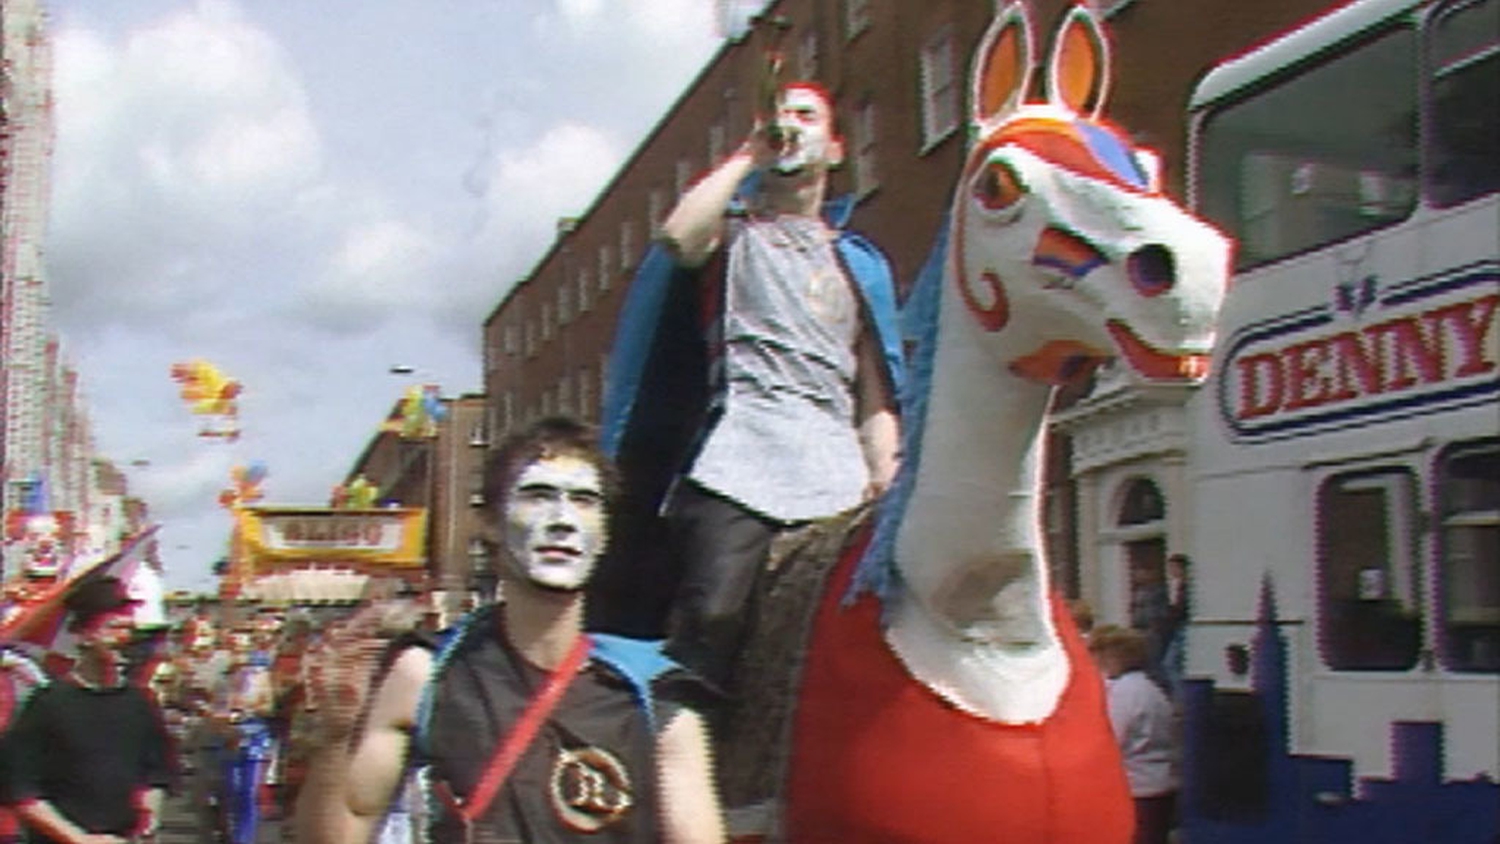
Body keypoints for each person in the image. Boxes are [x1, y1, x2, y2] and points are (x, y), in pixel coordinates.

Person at [601, 81, 904, 699]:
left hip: (835, 471)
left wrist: (885, 474)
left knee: (858, 635)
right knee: (712, 618)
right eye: (779, 114)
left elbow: (874, 394)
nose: (789, 125)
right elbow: (678, 238)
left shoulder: (857, 263)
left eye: (805, 116)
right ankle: (683, 758)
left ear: (836, 150)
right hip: (740, 458)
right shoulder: (733, 234)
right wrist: (746, 156)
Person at [295, 416, 725, 843]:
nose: (562, 520)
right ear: (491, 524)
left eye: (584, 501)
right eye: (538, 496)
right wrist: (335, 736)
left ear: (606, 532)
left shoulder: (654, 695)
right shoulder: (426, 675)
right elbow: (346, 828)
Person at [4, 576, 174, 844]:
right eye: (115, 628)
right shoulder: (47, 704)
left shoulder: (139, 703)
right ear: (84, 635)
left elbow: (156, 774)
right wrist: (80, 839)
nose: (125, 638)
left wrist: (148, 812)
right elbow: (21, 793)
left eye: (130, 630)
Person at [1089, 625, 1179, 844]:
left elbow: (1109, 739)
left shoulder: (1125, 693)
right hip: (1161, 785)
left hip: (1136, 789)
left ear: (1111, 655)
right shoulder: (1150, 688)